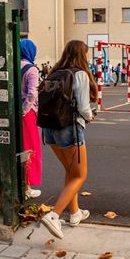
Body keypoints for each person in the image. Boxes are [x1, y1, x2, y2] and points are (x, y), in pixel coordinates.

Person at [41, 40, 98, 239]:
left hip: (49, 129)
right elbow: (83, 108)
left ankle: (75, 213)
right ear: (82, 55)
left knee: (70, 171)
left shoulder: (54, 72)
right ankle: (54, 215)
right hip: (69, 128)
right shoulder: (79, 74)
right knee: (80, 175)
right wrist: (91, 116)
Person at [19, 39, 42, 199]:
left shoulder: (13, 66)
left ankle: (18, 183)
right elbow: (33, 93)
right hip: (27, 114)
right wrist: (25, 110)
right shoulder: (31, 69)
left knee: (17, 148)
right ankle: (27, 186)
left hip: (14, 110)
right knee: (30, 148)